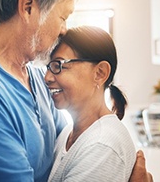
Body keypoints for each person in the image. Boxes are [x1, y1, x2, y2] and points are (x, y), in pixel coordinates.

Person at [0, 0, 152, 181]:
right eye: (63, 17)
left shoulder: (34, 77)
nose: (64, 30)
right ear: (28, 7)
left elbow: (65, 151)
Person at [44, 26, 135, 181]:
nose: (47, 77)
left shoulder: (102, 146)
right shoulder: (68, 132)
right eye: (49, 66)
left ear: (100, 73)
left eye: (58, 65)